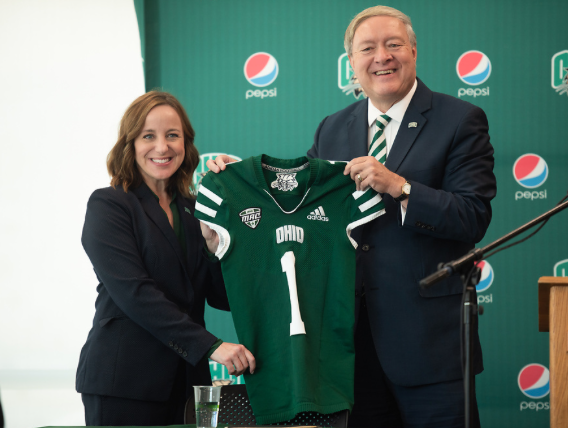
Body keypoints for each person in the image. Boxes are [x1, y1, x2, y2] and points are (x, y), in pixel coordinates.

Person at [207, 6, 495, 427]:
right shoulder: (332, 129)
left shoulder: (460, 120)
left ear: (413, 51)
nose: (382, 57)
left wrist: (401, 187)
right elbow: (299, 201)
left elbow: (473, 215)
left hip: (429, 347)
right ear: (352, 64)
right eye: (368, 48)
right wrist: (243, 181)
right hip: (345, 348)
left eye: (393, 44)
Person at [77, 91, 255, 426]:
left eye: (172, 135)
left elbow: (220, 296)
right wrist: (210, 346)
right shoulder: (109, 205)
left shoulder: (192, 209)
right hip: (125, 384)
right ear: (130, 144)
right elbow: (135, 294)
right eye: (148, 136)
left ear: (186, 143)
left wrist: (214, 242)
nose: (162, 147)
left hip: (187, 384)